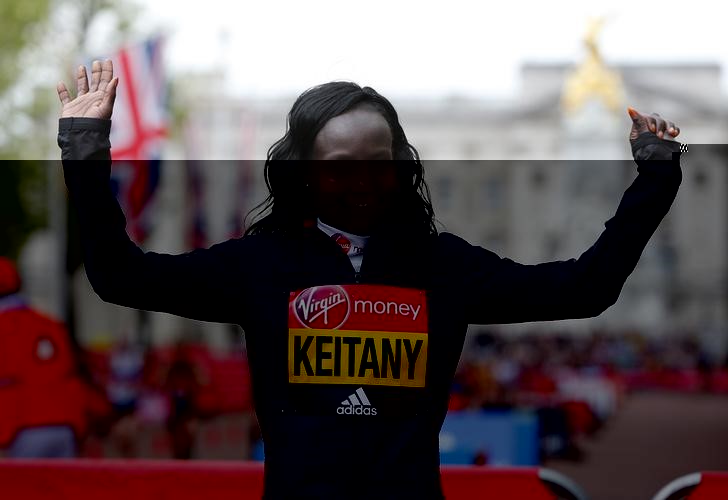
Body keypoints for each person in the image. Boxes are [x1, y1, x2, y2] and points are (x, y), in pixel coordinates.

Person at [56, 59, 684, 499]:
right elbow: (120, 276)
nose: (362, 182)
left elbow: (585, 288)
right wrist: (85, 152)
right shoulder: (260, 264)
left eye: (377, 163)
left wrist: (654, 185)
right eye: (340, 167)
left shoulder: (444, 266)